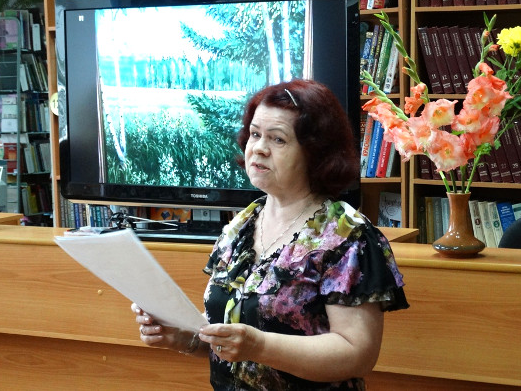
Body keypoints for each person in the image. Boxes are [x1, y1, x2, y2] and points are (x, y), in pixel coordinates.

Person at [132, 79, 409, 390]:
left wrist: (260, 346)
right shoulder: (241, 225)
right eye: (255, 134)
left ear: (315, 153)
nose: (259, 148)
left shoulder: (347, 235)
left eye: (278, 139)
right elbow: (231, 341)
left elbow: (357, 354)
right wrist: (184, 338)